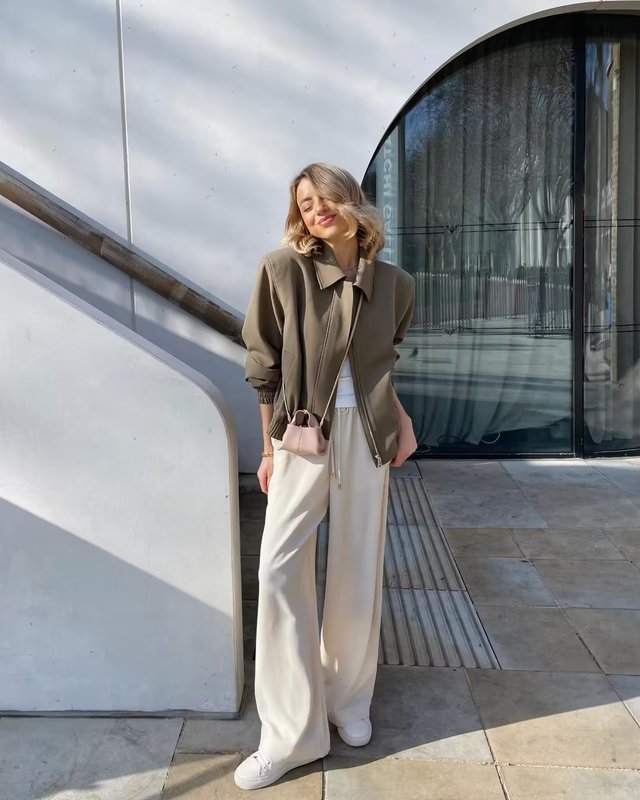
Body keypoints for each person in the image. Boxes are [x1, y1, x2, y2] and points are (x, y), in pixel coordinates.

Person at [235, 163, 417, 790]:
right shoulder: (282, 271)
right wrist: (268, 449)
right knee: (278, 570)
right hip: (302, 438)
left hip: (368, 437)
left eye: (325, 197)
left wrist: (400, 418)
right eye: (305, 203)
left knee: (357, 566)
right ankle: (291, 734)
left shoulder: (396, 284)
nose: (316, 209)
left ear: (352, 201)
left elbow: (380, 363)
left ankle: (348, 700)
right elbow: (264, 366)